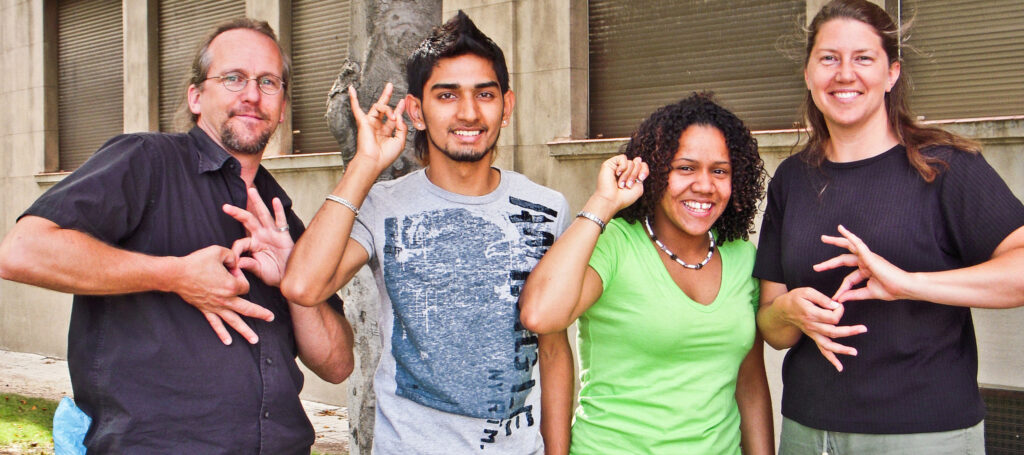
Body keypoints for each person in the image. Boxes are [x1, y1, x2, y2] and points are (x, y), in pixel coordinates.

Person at [0, 18, 354, 453]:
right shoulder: (146, 161)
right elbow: (21, 251)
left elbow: (338, 365)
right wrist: (174, 275)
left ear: (282, 108)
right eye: (233, 78)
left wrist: (297, 287)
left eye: (268, 82)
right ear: (196, 97)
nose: (251, 94)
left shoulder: (279, 215)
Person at [281, 11, 573, 454]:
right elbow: (304, 285)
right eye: (447, 95)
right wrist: (365, 165)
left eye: (485, 94)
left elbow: (553, 350)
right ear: (416, 110)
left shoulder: (548, 209)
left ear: (507, 107)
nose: (469, 112)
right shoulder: (382, 205)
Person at [753, 0, 1024, 453]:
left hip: (924, 434)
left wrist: (908, 282)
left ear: (891, 73)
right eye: (828, 58)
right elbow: (773, 328)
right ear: (808, 73)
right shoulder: (792, 180)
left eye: (863, 58)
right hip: (808, 432)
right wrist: (789, 312)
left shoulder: (945, 166)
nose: (844, 74)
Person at [519, 93, 774, 454]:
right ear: (653, 170)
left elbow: (749, 383)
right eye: (685, 168)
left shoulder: (742, 257)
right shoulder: (616, 245)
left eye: (720, 170)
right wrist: (603, 203)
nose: (704, 185)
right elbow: (541, 314)